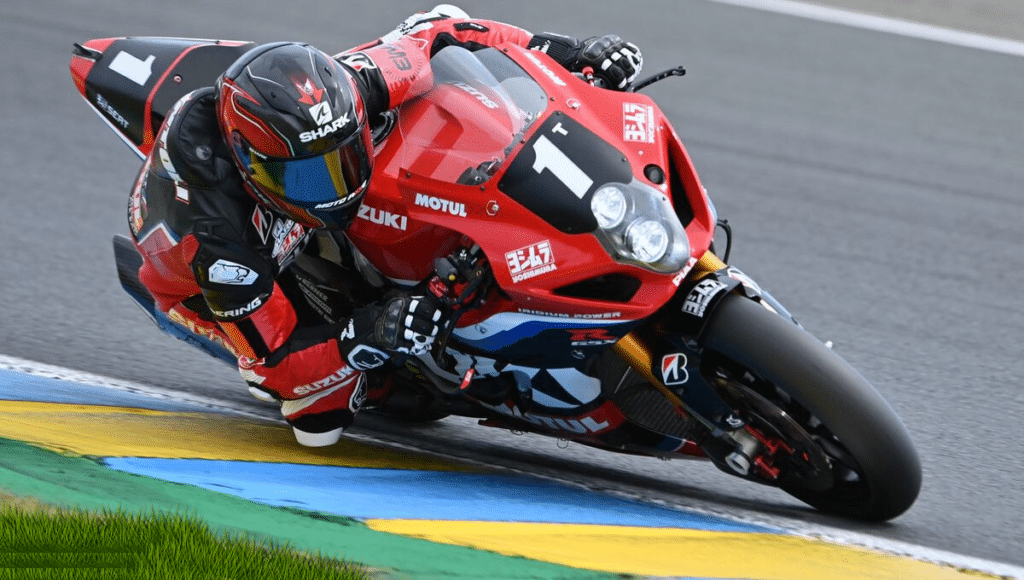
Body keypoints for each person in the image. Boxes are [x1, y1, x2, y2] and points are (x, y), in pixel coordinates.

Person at [128, 5, 644, 447]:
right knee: (329, 411)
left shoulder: (356, 82)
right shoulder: (221, 249)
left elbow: (444, 30)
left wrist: (563, 50)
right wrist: (365, 334)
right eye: (312, 176)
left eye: (346, 156)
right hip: (205, 290)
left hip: (284, 181)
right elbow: (280, 364)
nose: (336, 186)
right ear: (251, 164)